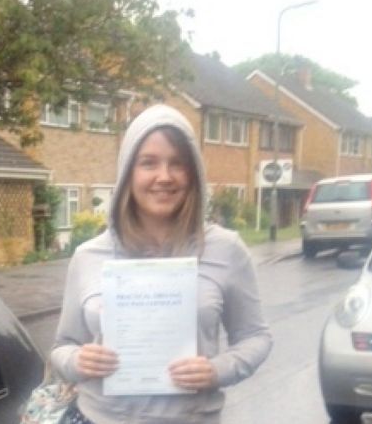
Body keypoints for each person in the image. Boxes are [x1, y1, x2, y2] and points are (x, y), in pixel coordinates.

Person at [50, 104, 272, 424]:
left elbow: (256, 337)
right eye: (148, 163)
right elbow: (62, 345)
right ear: (129, 173)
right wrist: (77, 361)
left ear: (193, 173)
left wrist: (216, 370)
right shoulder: (89, 256)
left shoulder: (226, 250)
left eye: (177, 164)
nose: (164, 177)